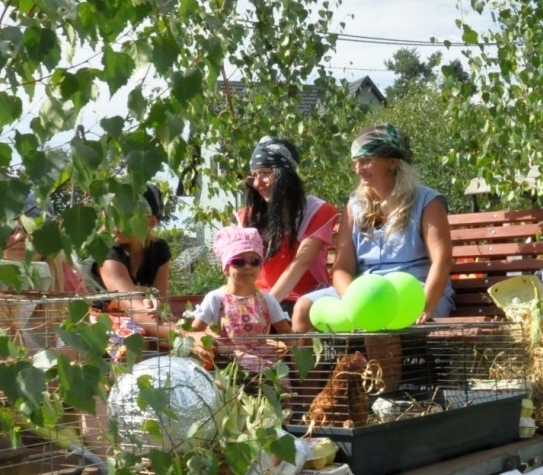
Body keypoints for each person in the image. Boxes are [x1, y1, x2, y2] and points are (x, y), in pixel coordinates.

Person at [293, 125, 454, 331]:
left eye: (366, 161)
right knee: (303, 308)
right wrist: (355, 298)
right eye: (356, 162)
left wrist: (427, 306)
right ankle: (314, 365)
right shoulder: (354, 207)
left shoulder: (426, 201)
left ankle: (381, 365)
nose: (358, 169)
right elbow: (341, 269)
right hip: (365, 290)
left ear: (392, 161)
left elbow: (442, 260)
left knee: (378, 311)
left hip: (416, 290)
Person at [238, 136, 339, 310]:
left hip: (306, 298)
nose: (257, 183)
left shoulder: (316, 211)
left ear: (285, 175)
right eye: (254, 175)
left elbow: (301, 263)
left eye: (265, 174)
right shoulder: (248, 216)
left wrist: (266, 308)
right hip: (260, 295)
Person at [186, 226, 291, 372]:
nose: (247, 267)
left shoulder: (268, 300)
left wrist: (293, 344)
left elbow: (287, 334)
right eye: (238, 262)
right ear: (225, 268)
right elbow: (194, 333)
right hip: (225, 365)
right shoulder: (216, 298)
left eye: (255, 262)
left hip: (264, 365)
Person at [91, 183, 174, 342]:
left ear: (151, 221)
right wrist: (186, 336)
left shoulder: (159, 250)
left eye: (126, 215)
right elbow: (133, 307)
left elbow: (159, 299)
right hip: (104, 323)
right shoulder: (106, 250)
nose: (115, 222)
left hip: (147, 320)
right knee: (137, 342)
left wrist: (156, 302)